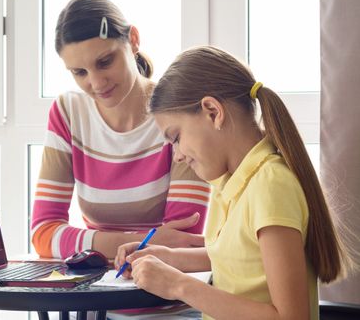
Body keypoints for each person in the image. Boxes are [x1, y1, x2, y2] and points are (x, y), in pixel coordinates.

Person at [115, 46, 352, 320]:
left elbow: (291, 317)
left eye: (176, 137)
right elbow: (240, 259)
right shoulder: (230, 184)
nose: (177, 155)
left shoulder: (270, 185)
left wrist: (178, 284)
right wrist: (168, 256)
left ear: (213, 112)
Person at [30, 0, 210, 263]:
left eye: (105, 62)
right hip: (93, 297)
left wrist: (93, 245)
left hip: (169, 297)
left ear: (133, 40)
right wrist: (144, 239)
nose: (96, 82)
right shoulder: (68, 112)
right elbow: (43, 234)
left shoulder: (180, 110)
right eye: (79, 72)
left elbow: (182, 239)